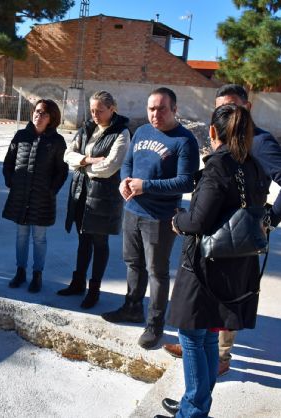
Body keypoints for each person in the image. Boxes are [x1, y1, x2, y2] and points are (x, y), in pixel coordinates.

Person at [162, 84, 281, 376]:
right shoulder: (230, 147)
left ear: (247, 108)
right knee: (207, 312)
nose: (226, 114)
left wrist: (267, 221)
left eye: (231, 107)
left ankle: (220, 358)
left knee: (224, 304)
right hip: (217, 236)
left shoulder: (260, 142)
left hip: (234, 241)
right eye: (219, 109)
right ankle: (202, 350)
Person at [157, 104, 268, 418]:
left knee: (192, 335)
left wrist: (179, 220)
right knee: (205, 334)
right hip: (236, 264)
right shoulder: (255, 167)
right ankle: (197, 405)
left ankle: (192, 411)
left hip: (206, 266)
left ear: (213, 132)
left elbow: (199, 220)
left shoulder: (218, 166)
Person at [101, 87, 199, 349]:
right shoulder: (142, 131)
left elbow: (186, 182)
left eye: (162, 109)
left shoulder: (184, 140)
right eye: (151, 109)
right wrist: (124, 181)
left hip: (160, 217)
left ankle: (155, 325)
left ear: (174, 109)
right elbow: (128, 163)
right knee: (133, 264)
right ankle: (132, 307)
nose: (155, 114)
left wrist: (146, 186)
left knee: (157, 271)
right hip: (133, 212)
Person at [58, 90, 131, 308]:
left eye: (100, 110)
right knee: (83, 240)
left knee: (100, 243)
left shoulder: (121, 133)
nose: (95, 114)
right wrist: (88, 159)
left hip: (104, 197)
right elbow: (67, 155)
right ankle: (77, 282)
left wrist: (82, 165)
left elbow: (110, 166)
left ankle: (94, 289)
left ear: (112, 108)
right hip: (81, 193)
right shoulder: (86, 128)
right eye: (92, 110)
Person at [2, 99, 68, 293]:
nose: (39, 116)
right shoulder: (21, 135)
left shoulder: (57, 142)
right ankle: (20, 271)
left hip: (42, 198)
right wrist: (11, 181)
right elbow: (8, 162)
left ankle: (37, 274)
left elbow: (61, 171)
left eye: (44, 114)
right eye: (37, 112)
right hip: (20, 195)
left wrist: (51, 191)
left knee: (39, 238)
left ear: (52, 118)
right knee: (21, 235)